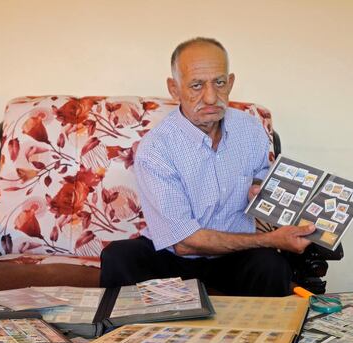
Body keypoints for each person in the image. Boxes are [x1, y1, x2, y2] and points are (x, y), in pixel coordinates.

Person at [100, 37, 315, 296]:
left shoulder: (251, 129)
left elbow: (263, 183)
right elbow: (184, 243)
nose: (211, 97)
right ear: (174, 88)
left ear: (231, 82)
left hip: (234, 255)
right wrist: (268, 240)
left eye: (219, 83)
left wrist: (259, 190)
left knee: (271, 266)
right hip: (174, 256)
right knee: (119, 257)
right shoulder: (156, 148)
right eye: (197, 85)